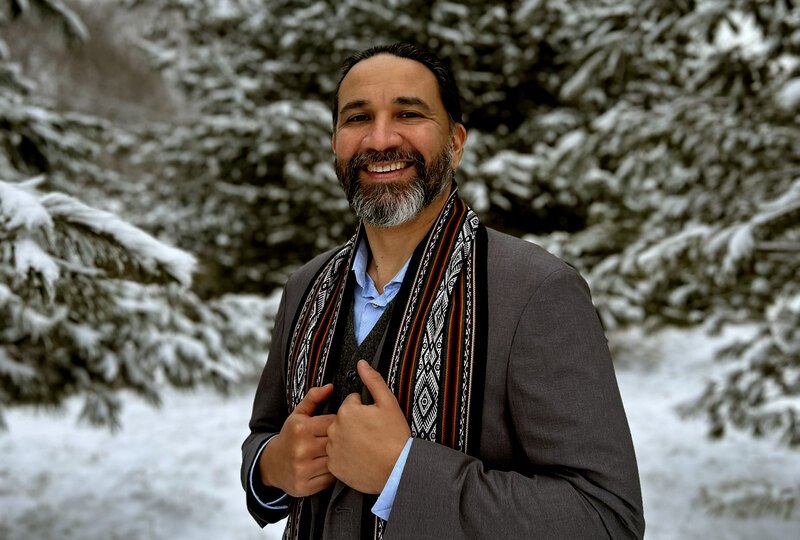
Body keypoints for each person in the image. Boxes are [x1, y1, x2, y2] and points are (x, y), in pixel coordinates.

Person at [241, 42, 645, 539]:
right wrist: (270, 467)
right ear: (334, 144)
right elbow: (265, 432)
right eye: (357, 118)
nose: (380, 138)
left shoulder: (536, 291)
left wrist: (404, 475)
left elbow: (605, 518)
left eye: (408, 113)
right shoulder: (307, 286)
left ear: (455, 142)